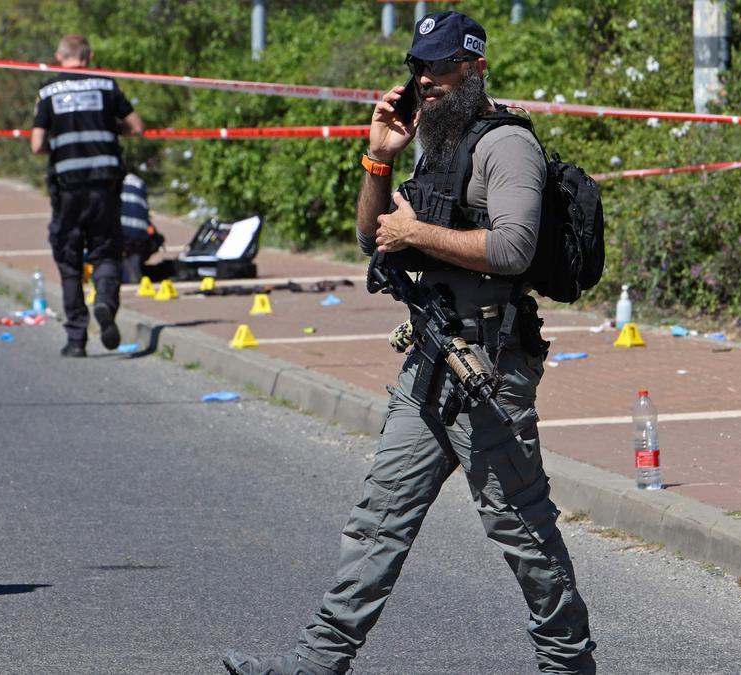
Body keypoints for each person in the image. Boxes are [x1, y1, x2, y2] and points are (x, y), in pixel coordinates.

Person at [223, 11, 596, 675]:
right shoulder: (437, 141)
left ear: (474, 69)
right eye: (419, 67)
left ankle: (568, 662)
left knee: (522, 529)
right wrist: (380, 155)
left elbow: (512, 247)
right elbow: (374, 236)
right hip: (433, 356)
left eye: (441, 67)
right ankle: (317, 659)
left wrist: (415, 236)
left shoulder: (507, 145)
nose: (426, 80)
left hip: (490, 365)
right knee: (378, 518)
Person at [30, 34, 144, 357]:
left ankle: (76, 339)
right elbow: (137, 126)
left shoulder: (48, 91)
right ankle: (105, 302)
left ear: (59, 56)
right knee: (105, 252)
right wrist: (113, 129)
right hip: (105, 187)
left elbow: (37, 144)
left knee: (69, 261)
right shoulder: (106, 86)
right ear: (89, 57)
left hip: (68, 190)